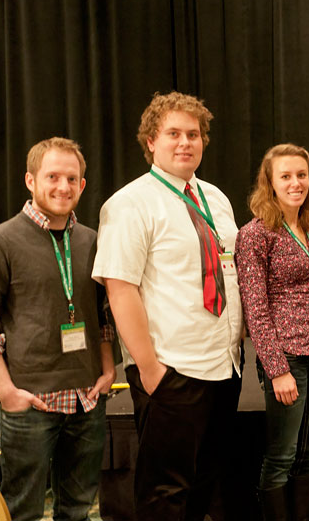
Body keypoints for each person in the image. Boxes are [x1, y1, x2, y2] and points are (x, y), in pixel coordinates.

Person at [92, 91, 243, 520]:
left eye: (193, 134)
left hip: (223, 366)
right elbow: (120, 290)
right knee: (164, 495)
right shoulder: (129, 204)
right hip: (172, 370)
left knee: (204, 487)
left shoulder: (215, 198)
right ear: (151, 142)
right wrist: (151, 369)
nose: (185, 142)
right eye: (173, 133)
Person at [0, 137, 116, 521]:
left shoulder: (91, 241)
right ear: (30, 180)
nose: (63, 187)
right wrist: (6, 391)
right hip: (29, 403)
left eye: (72, 178)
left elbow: (102, 314)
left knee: (79, 510)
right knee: (22, 511)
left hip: (86, 400)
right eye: (53, 176)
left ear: (82, 185)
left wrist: (107, 370)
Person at [236, 144, 309, 521]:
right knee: (282, 455)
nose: (296, 183)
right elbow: (255, 307)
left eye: (302, 175)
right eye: (286, 176)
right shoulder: (256, 234)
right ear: (270, 183)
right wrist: (276, 368)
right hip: (286, 357)